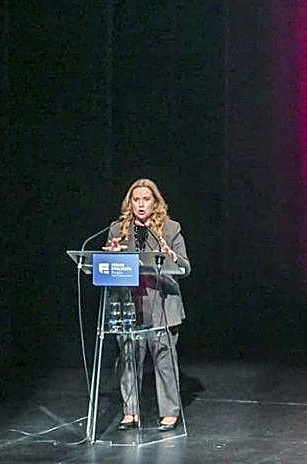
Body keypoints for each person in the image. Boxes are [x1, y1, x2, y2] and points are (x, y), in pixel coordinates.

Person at [102, 178, 191, 431]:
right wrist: (111, 256)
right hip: (130, 303)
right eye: (136, 199)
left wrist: (173, 259)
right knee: (129, 357)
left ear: (155, 203)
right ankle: (130, 411)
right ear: (130, 203)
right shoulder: (117, 229)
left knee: (164, 359)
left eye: (146, 199)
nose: (141, 204)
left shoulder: (171, 228)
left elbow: (186, 268)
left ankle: (169, 412)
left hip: (162, 303)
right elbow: (110, 268)